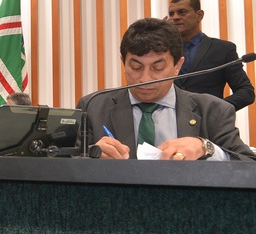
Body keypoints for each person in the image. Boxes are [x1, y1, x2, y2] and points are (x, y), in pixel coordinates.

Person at [78, 18, 255, 161]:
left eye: (158, 68)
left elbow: (248, 164)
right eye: (136, 67)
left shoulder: (213, 110)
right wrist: (90, 156)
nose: (145, 79)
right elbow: (66, 164)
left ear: (178, 66)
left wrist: (206, 148)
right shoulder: (93, 107)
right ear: (123, 62)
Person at [167, 0, 254, 111]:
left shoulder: (223, 49)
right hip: (169, 119)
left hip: (208, 121)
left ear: (199, 15)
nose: (175, 17)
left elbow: (246, 92)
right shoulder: (162, 50)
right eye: (171, 14)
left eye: (182, 12)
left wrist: (215, 110)